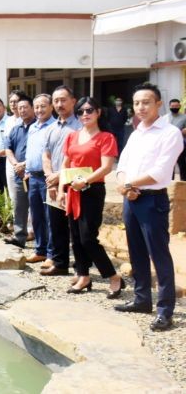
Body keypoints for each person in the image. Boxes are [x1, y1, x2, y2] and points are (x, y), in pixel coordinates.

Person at [114, 83, 183, 331]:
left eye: (146, 102)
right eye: (136, 103)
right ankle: (142, 299)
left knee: (159, 254)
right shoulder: (136, 133)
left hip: (152, 200)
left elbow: (160, 172)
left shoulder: (170, 133)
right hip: (130, 199)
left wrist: (129, 185)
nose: (140, 107)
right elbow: (122, 164)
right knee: (136, 252)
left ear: (158, 104)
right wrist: (125, 186)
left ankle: (165, 311)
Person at [58, 97, 124, 297]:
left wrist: (85, 181)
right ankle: (83, 275)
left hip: (92, 190)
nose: (85, 114)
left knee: (88, 238)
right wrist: (61, 189)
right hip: (72, 189)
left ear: (98, 112)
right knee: (76, 237)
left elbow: (106, 167)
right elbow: (65, 165)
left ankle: (113, 276)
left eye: (89, 110)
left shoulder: (106, 137)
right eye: (80, 111)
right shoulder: (72, 136)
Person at [40, 86, 80, 276]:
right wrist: (50, 177)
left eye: (63, 100)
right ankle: (60, 263)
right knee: (56, 226)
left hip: (75, 183)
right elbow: (46, 155)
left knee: (77, 229)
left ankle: (81, 268)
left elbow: (79, 159)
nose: (59, 104)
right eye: (56, 101)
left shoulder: (81, 127)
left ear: (73, 101)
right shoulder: (50, 129)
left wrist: (60, 177)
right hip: (53, 183)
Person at [23, 94, 55, 264]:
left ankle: (51, 254)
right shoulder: (33, 127)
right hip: (33, 177)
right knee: (36, 216)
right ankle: (40, 250)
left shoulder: (55, 126)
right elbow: (31, 151)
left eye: (43, 106)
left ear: (51, 107)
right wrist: (27, 170)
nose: (39, 110)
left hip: (47, 177)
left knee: (50, 217)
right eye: (36, 107)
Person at [4, 94, 35, 252]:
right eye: (20, 107)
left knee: (37, 208)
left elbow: (42, 152)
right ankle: (19, 237)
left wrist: (25, 164)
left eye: (25, 107)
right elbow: (8, 148)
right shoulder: (16, 129)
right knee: (19, 206)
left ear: (32, 108)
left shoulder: (39, 127)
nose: (22, 110)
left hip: (35, 174)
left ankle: (41, 242)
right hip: (19, 173)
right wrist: (16, 164)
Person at [3, 92, 22, 203]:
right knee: (12, 191)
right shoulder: (9, 120)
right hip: (10, 160)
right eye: (11, 102)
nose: (13, 104)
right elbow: (6, 141)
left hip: (22, 160)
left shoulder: (27, 120)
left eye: (16, 101)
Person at [164, 98, 186, 180]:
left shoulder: (184, 117)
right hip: (168, 144)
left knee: (182, 163)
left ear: (180, 106)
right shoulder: (165, 118)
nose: (175, 107)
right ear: (169, 106)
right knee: (169, 164)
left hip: (181, 143)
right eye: (173, 106)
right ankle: (170, 181)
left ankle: (184, 181)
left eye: (176, 106)